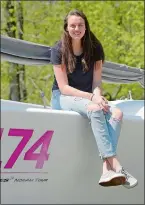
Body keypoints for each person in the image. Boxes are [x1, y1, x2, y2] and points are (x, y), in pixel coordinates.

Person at [50, 9, 138, 188]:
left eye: (80, 25)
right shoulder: (58, 49)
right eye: (72, 25)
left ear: (86, 27)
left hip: (89, 98)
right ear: (66, 28)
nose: (77, 28)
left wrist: (98, 97)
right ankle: (116, 165)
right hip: (63, 97)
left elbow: (97, 82)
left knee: (117, 113)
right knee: (95, 108)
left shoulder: (95, 47)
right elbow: (64, 88)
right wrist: (92, 99)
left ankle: (106, 170)